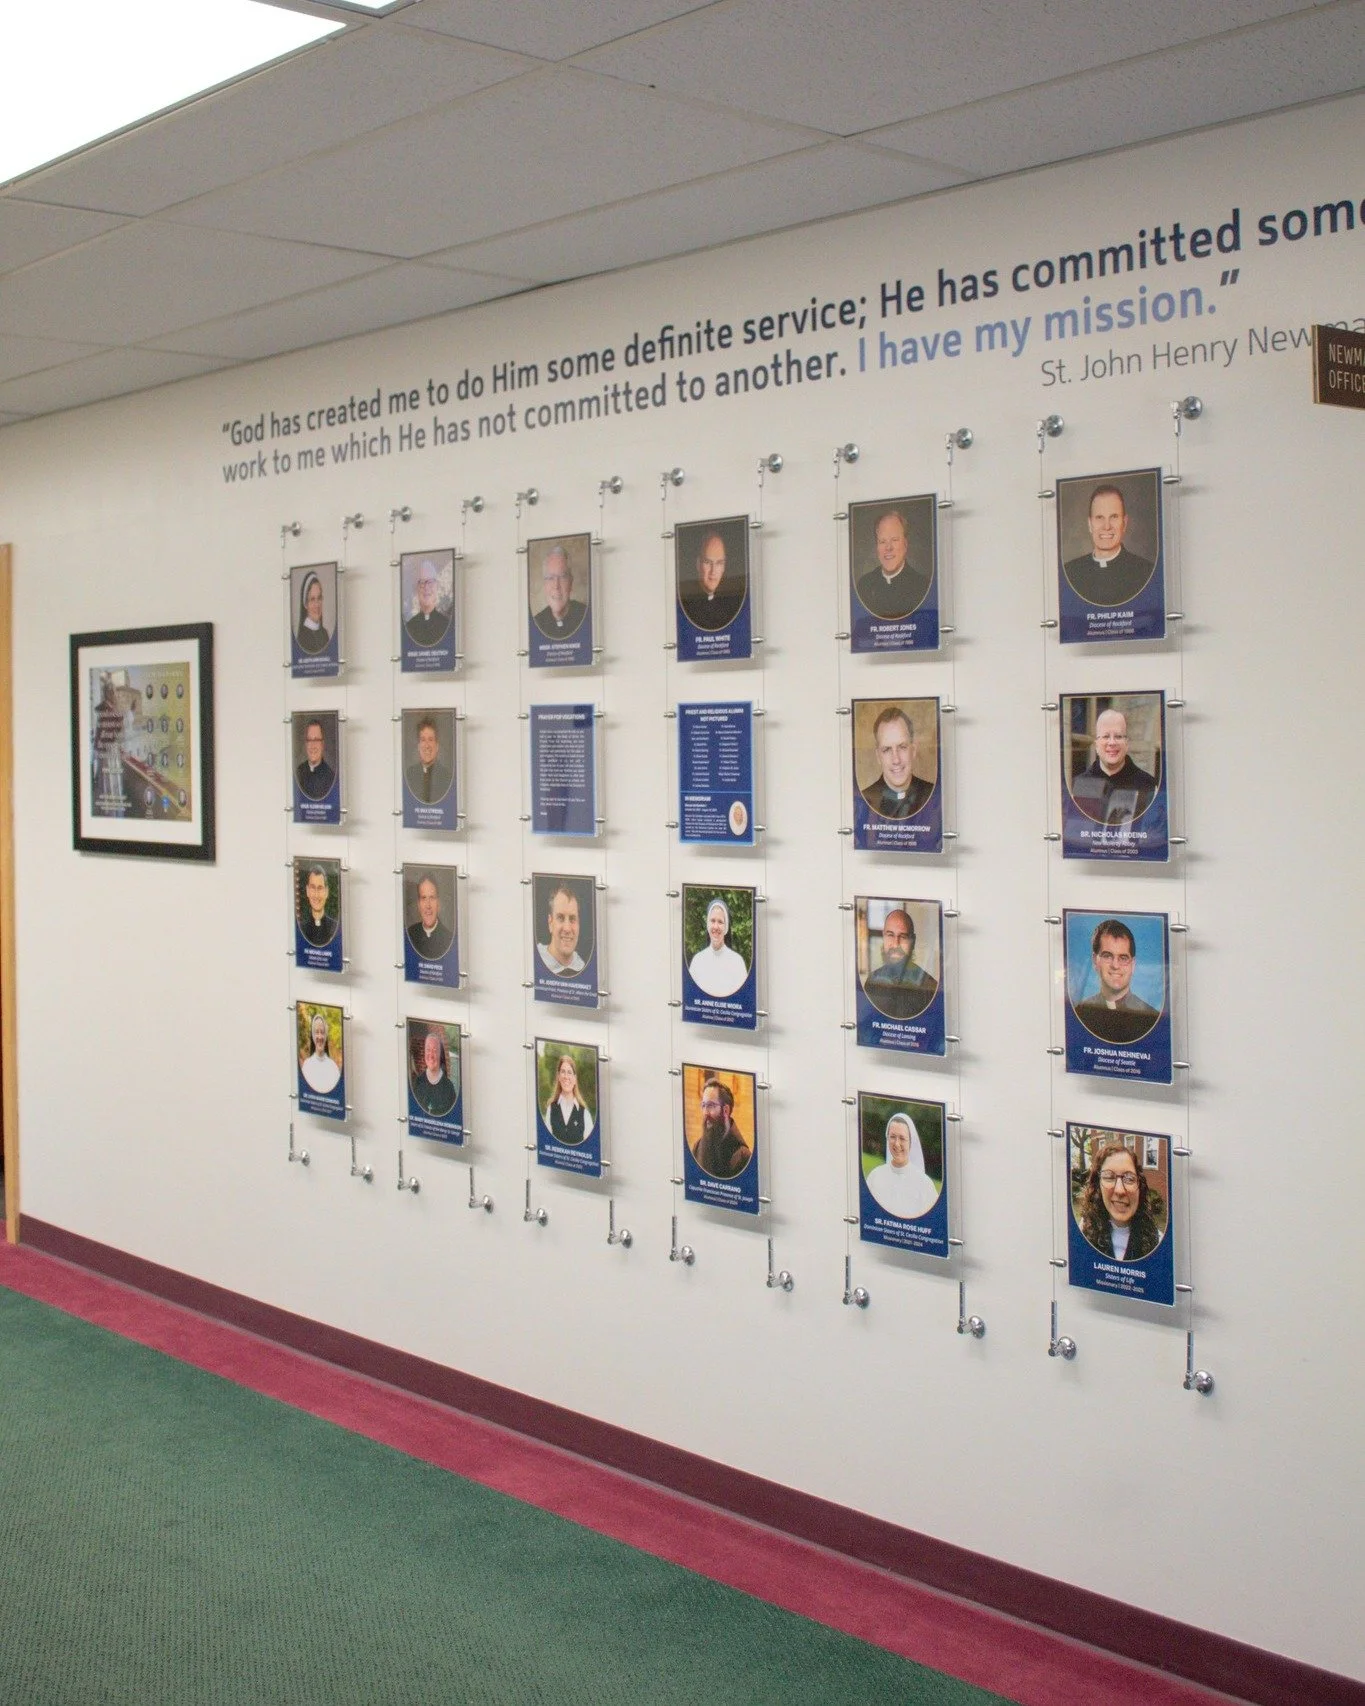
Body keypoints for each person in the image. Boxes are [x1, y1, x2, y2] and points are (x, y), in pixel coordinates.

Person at [1063, 484, 1154, 607]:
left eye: (1114, 517)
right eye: (1099, 517)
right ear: (1090, 524)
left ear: (1124, 523)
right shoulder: (1070, 573)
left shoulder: (1146, 572)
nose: (1107, 526)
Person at [1074, 919, 1159, 1043]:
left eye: (1123, 958)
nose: (1115, 965)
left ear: (1133, 965)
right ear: (1095, 961)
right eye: (1107, 956)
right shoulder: (1080, 1013)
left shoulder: (1151, 1018)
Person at [1077, 1139, 1163, 1261]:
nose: (1119, 1190)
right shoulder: (1082, 1232)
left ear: (1140, 1187)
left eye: (1129, 1178)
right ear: (1098, 1186)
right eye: (1109, 1177)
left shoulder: (1158, 1242)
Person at [1070, 707, 1159, 824]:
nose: (1112, 743)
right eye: (1106, 736)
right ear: (1096, 744)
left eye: (1118, 736)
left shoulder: (1148, 786)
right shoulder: (1077, 785)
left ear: (1126, 743)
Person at [854, 508, 930, 619]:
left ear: (905, 544)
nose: (888, 547)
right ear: (877, 547)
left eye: (894, 539)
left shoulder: (922, 586)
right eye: (882, 541)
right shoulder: (864, 585)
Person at [860, 706, 934, 819]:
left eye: (902, 747)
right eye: (887, 749)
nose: (896, 760)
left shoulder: (933, 795)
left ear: (913, 750)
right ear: (878, 756)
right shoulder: (864, 800)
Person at [864, 908, 937, 1020]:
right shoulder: (872, 981)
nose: (896, 944)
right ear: (883, 937)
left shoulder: (929, 986)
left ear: (913, 940)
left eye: (903, 937)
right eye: (890, 935)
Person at [865, 1112, 941, 1219]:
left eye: (902, 1138)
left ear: (911, 1142)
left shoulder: (925, 1184)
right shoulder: (875, 1176)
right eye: (892, 1137)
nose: (896, 1144)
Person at [681, 530, 743, 631]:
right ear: (698, 564)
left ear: (724, 567)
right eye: (707, 562)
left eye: (719, 563)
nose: (713, 571)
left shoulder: (731, 605)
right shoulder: (687, 605)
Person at [687, 898, 748, 998]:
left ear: (726, 927)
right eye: (712, 921)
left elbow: (743, 999)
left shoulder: (737, 962)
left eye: (720, 922)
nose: (716, 926)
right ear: (708, 924)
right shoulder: (697, 960)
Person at [692, 1078, 752, 1179]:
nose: (705, 1112)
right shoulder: (697, 1147)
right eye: (703, 1105)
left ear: (725, 1110)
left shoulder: (742, 1156)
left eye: (711, 1106)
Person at [533, 544, 587, 639]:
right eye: (550, 578)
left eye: (562, 577)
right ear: (545, 585)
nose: (556, 586)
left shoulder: (586, 616)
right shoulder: (537, 622)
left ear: (570, 582)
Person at [543, 1053, 594, 1146]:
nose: (566, 1076)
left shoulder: (585, 1113)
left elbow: (589, 1147)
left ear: (575, 1079)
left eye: (569, 1072)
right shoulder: (551, 1109)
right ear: (558, 1076)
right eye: (563, 1072)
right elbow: (547, 1143)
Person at [537, 882, 586, 977]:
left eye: (572, 919)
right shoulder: (535, 959)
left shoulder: (583, 967)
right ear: (550, 922)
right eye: (560, 918)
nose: (567, 929)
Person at [405, 715, 453, 805]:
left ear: (437, 746)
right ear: (418, 746)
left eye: (430, 739)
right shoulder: (409, 774)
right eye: (423, 740)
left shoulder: (447, 777)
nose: (427, 745)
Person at [405, 558, 451, 649]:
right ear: (417, 588)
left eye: (430, 582)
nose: (426, 587)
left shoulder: (446, 625)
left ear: (437, 586)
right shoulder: (409, 627)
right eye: (422, 582)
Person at [407, 874, 454, 961]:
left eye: (432, 898)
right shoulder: (409, 934)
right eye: (424, 898)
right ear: (418, 904)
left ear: (438, 904)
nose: (428, 905)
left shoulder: (449, 938)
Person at [411, 1028, 456, 1118]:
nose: (431, 1055)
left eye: (435, 1050)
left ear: (440, 1055)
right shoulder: (417, 1083)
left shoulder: (448, 1088)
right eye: (428, 1050)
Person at [295, 719, 336, 800]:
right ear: (306, 744)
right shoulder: (299, 772)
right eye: (309, 740)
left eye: (317, 740)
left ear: (322, 744)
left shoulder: (330, 777)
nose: (313, 745)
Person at [300, 1011, 340, 1094]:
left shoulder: (333, 1067)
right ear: (313, 1036)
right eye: (316, 1032)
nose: (320, 1037)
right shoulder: (307, 1065)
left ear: (326, 1036)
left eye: (322, 1032)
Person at [298, 864, 337, 947]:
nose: (316, 895)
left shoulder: (335, 928)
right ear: (307, 891)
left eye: (320, 888)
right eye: (312, 887)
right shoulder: (301, 930)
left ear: (326, 892)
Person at [295, 569, 330, 655]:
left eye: (319, 598)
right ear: (305, 604)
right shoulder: (303, 638)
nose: (317, 605)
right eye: (312, 599)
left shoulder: (324, 634)